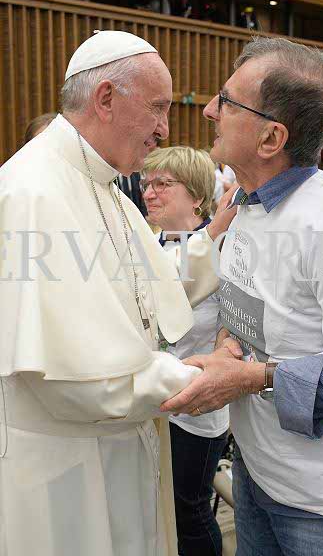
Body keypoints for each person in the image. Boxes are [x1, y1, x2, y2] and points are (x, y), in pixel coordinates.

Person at [0, 30, 236, 556]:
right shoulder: (33, 192)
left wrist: (218, 239)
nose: (164, 129)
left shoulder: (105, 185)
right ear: (106, 98)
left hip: (117, 446)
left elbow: (151, 288)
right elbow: (71, 381)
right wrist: (200, 377)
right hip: (67, 470)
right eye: (157, 108)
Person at [161, 36, 323, 555]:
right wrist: (226, 347)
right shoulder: (244, 204)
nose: (208, 109)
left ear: (271, 138)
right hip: (257, 472)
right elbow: (244, 303)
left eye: (227, 101)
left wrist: (250, 378)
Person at [142, 146, 230, 556]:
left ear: (196, 196)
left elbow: (233, 328)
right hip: (155, 401)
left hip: (197, 410)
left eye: (163, 183)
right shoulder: (149, 242)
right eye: (146, 183)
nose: (149, 192)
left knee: (188, 510)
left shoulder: (220, 248)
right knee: (160, 504)